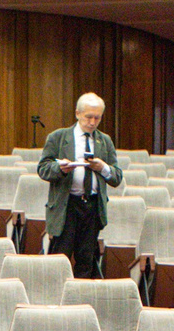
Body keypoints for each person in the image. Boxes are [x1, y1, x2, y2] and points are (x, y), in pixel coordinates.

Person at [36, 93, 122, 278]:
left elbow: (117, 177)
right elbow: (43, 169)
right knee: (60, 259)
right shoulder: (58, 137)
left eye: (97, 118)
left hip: (92, 207)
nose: (92, 122)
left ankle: (83, 294)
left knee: (86, 260)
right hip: (67, 205)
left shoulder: (104, 141)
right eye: (88, 117)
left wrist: (103, 168)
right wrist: (60, 169)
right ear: (77, 113)